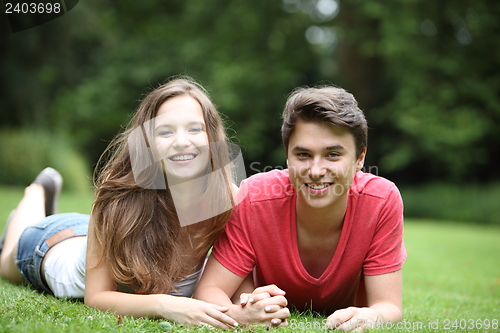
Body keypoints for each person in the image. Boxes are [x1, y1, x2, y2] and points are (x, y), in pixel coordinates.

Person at [0, 77, 283, 328]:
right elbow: (97, 297)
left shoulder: (227, 199)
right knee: (7, 258)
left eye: (194, 129)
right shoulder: (118, 196)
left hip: (94, 238)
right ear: (146, 143)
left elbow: (235, 282)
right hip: (50, 247)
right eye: (165, 132)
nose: (182, 142)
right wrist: (167, 306)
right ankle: (37, 191)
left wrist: (247, 307)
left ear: (212, 138)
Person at [194, 84, 407, 331]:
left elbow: (388, 306)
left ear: (359, 159)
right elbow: (210, 290)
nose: (316, 171)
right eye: (303, 154)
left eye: (333, 155)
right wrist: (238, 316)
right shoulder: (255, 197)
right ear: (287, 156)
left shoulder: (381, 200)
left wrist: (371, 317)